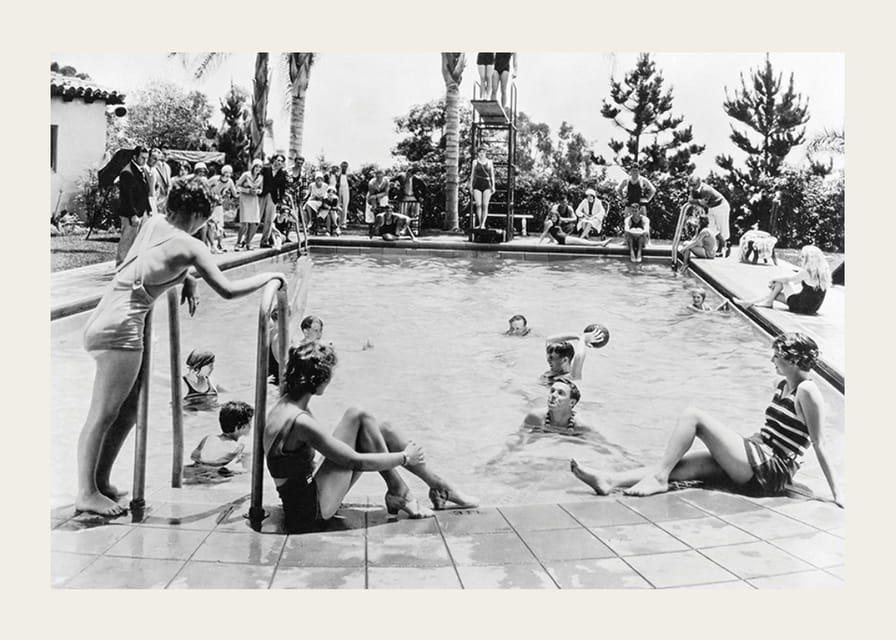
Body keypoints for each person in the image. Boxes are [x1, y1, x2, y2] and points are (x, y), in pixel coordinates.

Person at [76, 177, 287, 516]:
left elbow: (150, 262)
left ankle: (101, 482)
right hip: (123, 331)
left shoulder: (153, 223)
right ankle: (86, 492)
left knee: (127, 411)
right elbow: (228, 290)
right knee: (102, 414)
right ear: (199, 215)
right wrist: (271, 277)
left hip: (104, 319)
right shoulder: (191, 245)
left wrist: (185, 278)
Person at [570, 333, 843, 508]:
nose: (772, 359)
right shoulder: (782, 383)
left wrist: (836, 495)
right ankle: (608, 480)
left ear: (794, 360)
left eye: (778, 355)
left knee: (694, 415)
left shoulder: (808, 391)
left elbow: (819, 443)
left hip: (770, 470)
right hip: (756, 457)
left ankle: (659, 478)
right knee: (681, 465)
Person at [264, 342, 479, 532]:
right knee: (360, 415)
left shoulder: (285, 405)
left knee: (381, 428)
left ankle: (438, 487)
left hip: (304, 494)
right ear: (319, 382)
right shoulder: (300, 422)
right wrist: (404, 457)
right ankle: (401, 492)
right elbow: (354, 460)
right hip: (309, 512)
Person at [735, 245, 832, 315]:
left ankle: (756, 302)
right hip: (812, 308)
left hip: (800, 306)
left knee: (780, 282)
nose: (800, 259)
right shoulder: (823, 273)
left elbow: (788, 279)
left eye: (802, 257)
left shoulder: (806, 272)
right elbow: (799, 283)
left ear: (809, 259)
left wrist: (773, 279)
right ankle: (752, 302)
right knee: (774, 293)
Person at [189, 401, 254, 473]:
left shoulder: (208, 438)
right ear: (240, 427)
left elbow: (193, 456)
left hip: (195, 469)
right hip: (215, 474)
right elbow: (247, 469)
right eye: (249, 423)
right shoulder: (238, 447)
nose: (251, 426)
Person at [116, 145, 152, 266]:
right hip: (130, 214)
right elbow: (127, 196)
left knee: (140, 241)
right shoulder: (127, 172)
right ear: (135, 157)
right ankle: (120, 267)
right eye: (142, 158)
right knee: (127, 241)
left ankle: (134, 266)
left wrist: (149, 209)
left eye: (146, 158)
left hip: (142, 211)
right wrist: (133, 214)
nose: (145, 161)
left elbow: (144, 192)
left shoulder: (142, 170)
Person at [523, 377, 590, 436]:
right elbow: (519, 438)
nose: (553, 395)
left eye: (560, 393)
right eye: (552, 391)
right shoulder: (535, 418)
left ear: (571, 402)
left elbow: (598, 446)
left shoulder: (581, 426)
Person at [688, 175, 731, 257]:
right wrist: (693, 200)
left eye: (694, 185)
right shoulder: (693, 190)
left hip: (721, 207)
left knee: (722, 228)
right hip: (711, 207)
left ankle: (722, 248)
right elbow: (691, 200)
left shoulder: (705, 189)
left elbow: (703, 203)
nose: (692, 187)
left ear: (699, 183)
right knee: (712, 228)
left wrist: (694, 201)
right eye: (690, 185)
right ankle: (724, 244)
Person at [542, 195, 611, 246]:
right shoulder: (550, 221)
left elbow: (574, 219)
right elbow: (544, 233)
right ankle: (601, 243)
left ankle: (601, 243)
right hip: (564, 239)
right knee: (582, 242)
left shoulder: (568, 209)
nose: (555, 218)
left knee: (581, 241)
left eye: (555, 217)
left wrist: (553, 240)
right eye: (553, 217)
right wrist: (539, 243)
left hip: (564, 238)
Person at [207, 165, 238, 253]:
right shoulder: (215, 179)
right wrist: (212, 195)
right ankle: (211, 245)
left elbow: (234, 193)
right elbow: (205, 187)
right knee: (211, 225)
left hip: (219, 205)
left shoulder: (230, 182)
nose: (228, 175)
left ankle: (220, 244)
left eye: (229, 173)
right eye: (226, 173)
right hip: (211, 204)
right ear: (222, 173)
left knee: (220, 225)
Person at [259, 154, 287, 247]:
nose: (279, 162)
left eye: (281, 161)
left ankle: (264, 241)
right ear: (274, 160)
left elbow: (282, 188)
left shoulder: (282, 173)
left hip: (273, 197)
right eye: (278, 160)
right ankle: (246, 240)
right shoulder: (265, 169)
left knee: (269, 220)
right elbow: (259, 180)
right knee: (256, 218)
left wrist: (281, 200)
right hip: (262, 195)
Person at [235, 159, 264, 250]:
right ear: (253, 167)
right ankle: (238, 242)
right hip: (245, 199)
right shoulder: (246, 175)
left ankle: (248, 242)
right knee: (244, 223)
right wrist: (247, 191)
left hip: (254, 200)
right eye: (256, 166)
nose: (258, 168)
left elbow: (261, 189)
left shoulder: (261, 177)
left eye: (260, 167)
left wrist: (257, 191)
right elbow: (237, 186)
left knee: (254, 222)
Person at [470, 148, 495, 229]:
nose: (481, 154)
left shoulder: (489, 162)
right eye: (480, 152)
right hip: (477, 184)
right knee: (478, 205)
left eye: (483, 152)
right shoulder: (475, 162)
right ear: (478, 153)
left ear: (485, 153)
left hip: (487, 184)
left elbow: (492, 175)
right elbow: (472, 175)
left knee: (485, 205)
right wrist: (471, 186)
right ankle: (480, 223)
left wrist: (493, 186)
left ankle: (483, 224)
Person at [396, 167, 426, 235]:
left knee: (415, 215)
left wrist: (422, 197)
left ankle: (415, 230)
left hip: (414, 199)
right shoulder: (401, 177)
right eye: (409, 172)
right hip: (404, 198)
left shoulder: (417, 179)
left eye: (412, 173)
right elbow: (392, 180)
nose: (410, 174)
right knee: (403, 215)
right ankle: (402, 230)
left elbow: (424, 188)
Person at [365, 169, 391, 234]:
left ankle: (381, 228)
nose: (379, 177)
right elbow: (372, 195)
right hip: (371, 196)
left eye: (381, 176)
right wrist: (374, 206)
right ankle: (371, 229)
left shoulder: (386, 181)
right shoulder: (371, 183)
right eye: (378, 176)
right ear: (375, 176)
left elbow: (386, 192)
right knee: (371, 211)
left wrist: (377, 196)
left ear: (383, 176)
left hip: (382, 196)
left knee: (384, 207)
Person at [150, 148, 172, 215]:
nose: (166, 156)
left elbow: (168, 183)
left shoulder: (167, 167)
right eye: (164, 154)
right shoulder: (153, 167)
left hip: (165, 203)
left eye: (168, 154)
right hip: (155, 201)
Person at [336, 160, 351, 230]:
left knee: (345, 206)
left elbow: (353, 182)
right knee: (338, 205)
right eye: (343, 166)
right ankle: (338, 222)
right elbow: (336, 183)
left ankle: (344, 222)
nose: (344, 167)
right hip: (339, 189)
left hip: (346, 189)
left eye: (345, 166)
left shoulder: (349, 175)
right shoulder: (338, 174)